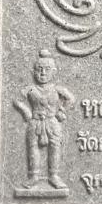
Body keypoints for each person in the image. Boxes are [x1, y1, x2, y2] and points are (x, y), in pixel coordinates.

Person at [13, 49, 75, 190]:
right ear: (33, 72)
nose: (43, 73)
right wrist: (26, 111)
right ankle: (33, 176)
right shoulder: (30, 89)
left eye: (47, 69)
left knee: (55, 147)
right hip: (35, 122)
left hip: (52, 122)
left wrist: (62, 110)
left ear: (54, 72)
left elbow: (70, 99)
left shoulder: (57, 89)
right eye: (39, 69)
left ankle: (54, 176)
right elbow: (17, 100)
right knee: (32, 147)